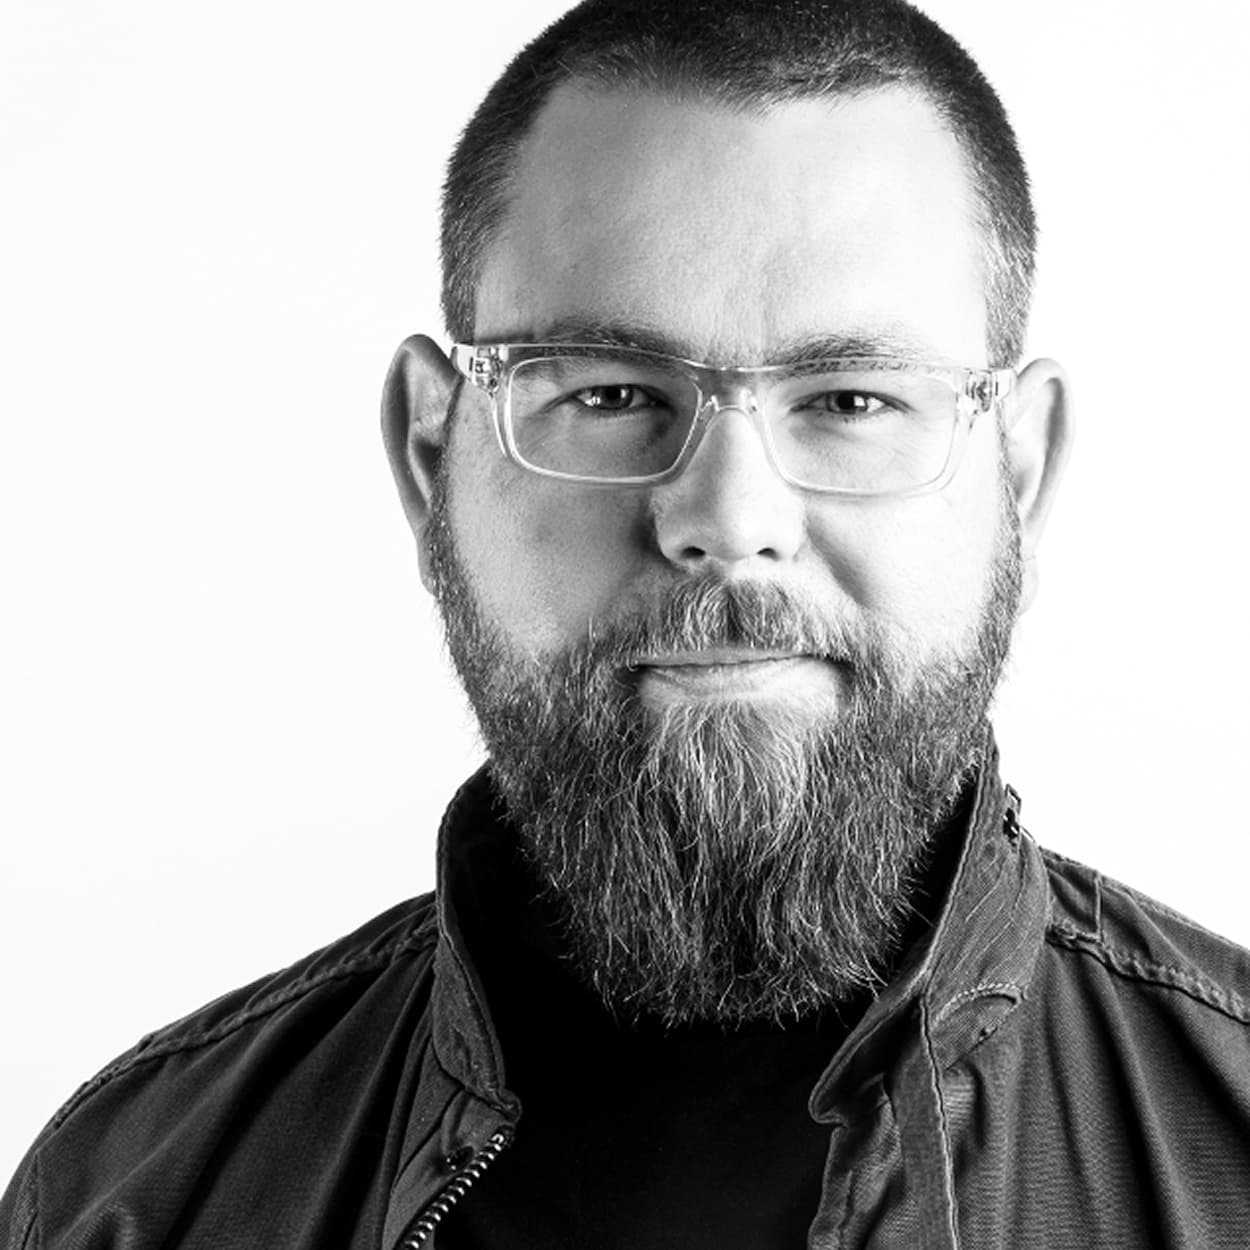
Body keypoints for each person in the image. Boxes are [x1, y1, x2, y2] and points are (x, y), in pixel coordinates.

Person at [3, 0, 1249, 1246]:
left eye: (852, 397)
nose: (725, 515)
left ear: (1017, 475)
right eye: (606, 392)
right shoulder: (133, 1201)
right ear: (434, 454)